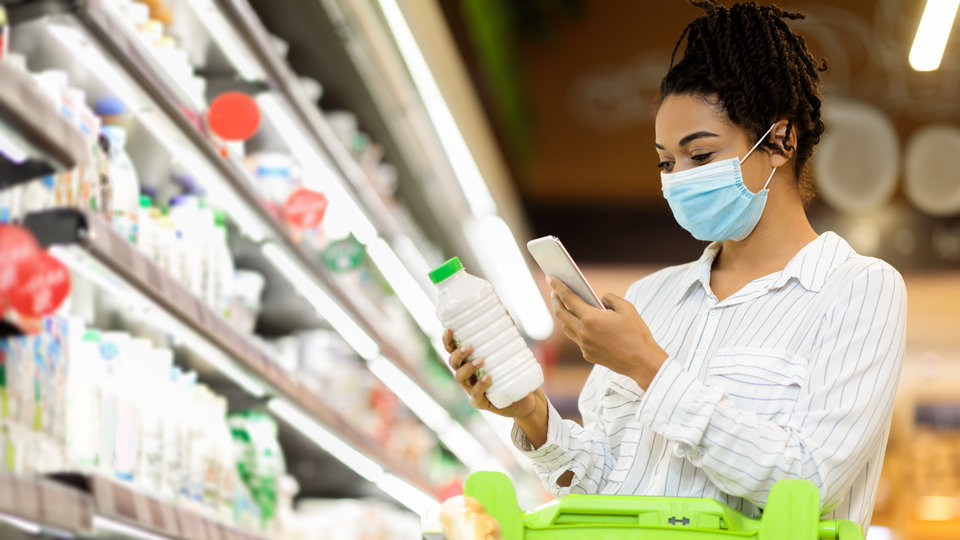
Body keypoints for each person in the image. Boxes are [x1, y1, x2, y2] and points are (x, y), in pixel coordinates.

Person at [444, 0, 906, 533]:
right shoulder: (652, 297)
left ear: (779, 141)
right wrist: (533, 414)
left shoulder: (858, 289)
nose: (677, 178)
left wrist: (648, 365)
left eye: (701, 156)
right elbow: (606, 487)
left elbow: (808, 480)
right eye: (666, 161)